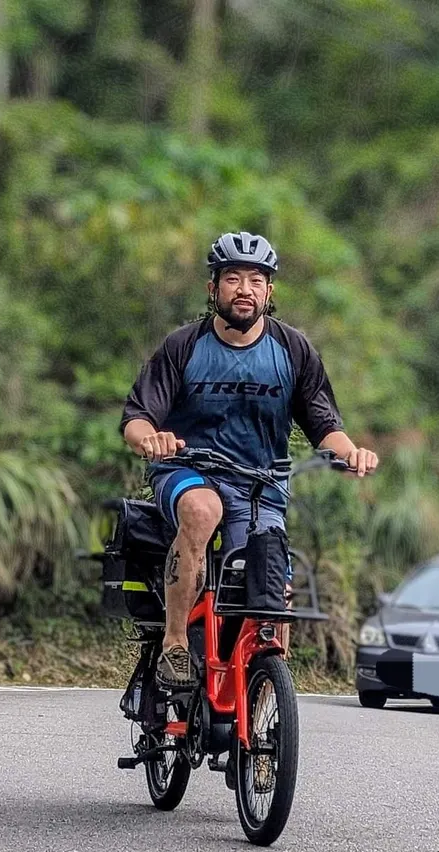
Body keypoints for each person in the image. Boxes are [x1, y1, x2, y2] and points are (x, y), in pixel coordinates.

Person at [120, 231, 379, 689]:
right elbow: (137, 418)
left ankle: (260, 689)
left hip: (261, 486)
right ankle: (176, 645)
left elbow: (324, 426)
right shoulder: (184, 346)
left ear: (269, 292)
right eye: (233, 278)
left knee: (269, 590)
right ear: (213, 288)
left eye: (256, 280)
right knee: (203, 510)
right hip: (187, 472)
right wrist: (151, 440)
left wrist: (351, 452)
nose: (245, 289)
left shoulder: (293, 350)